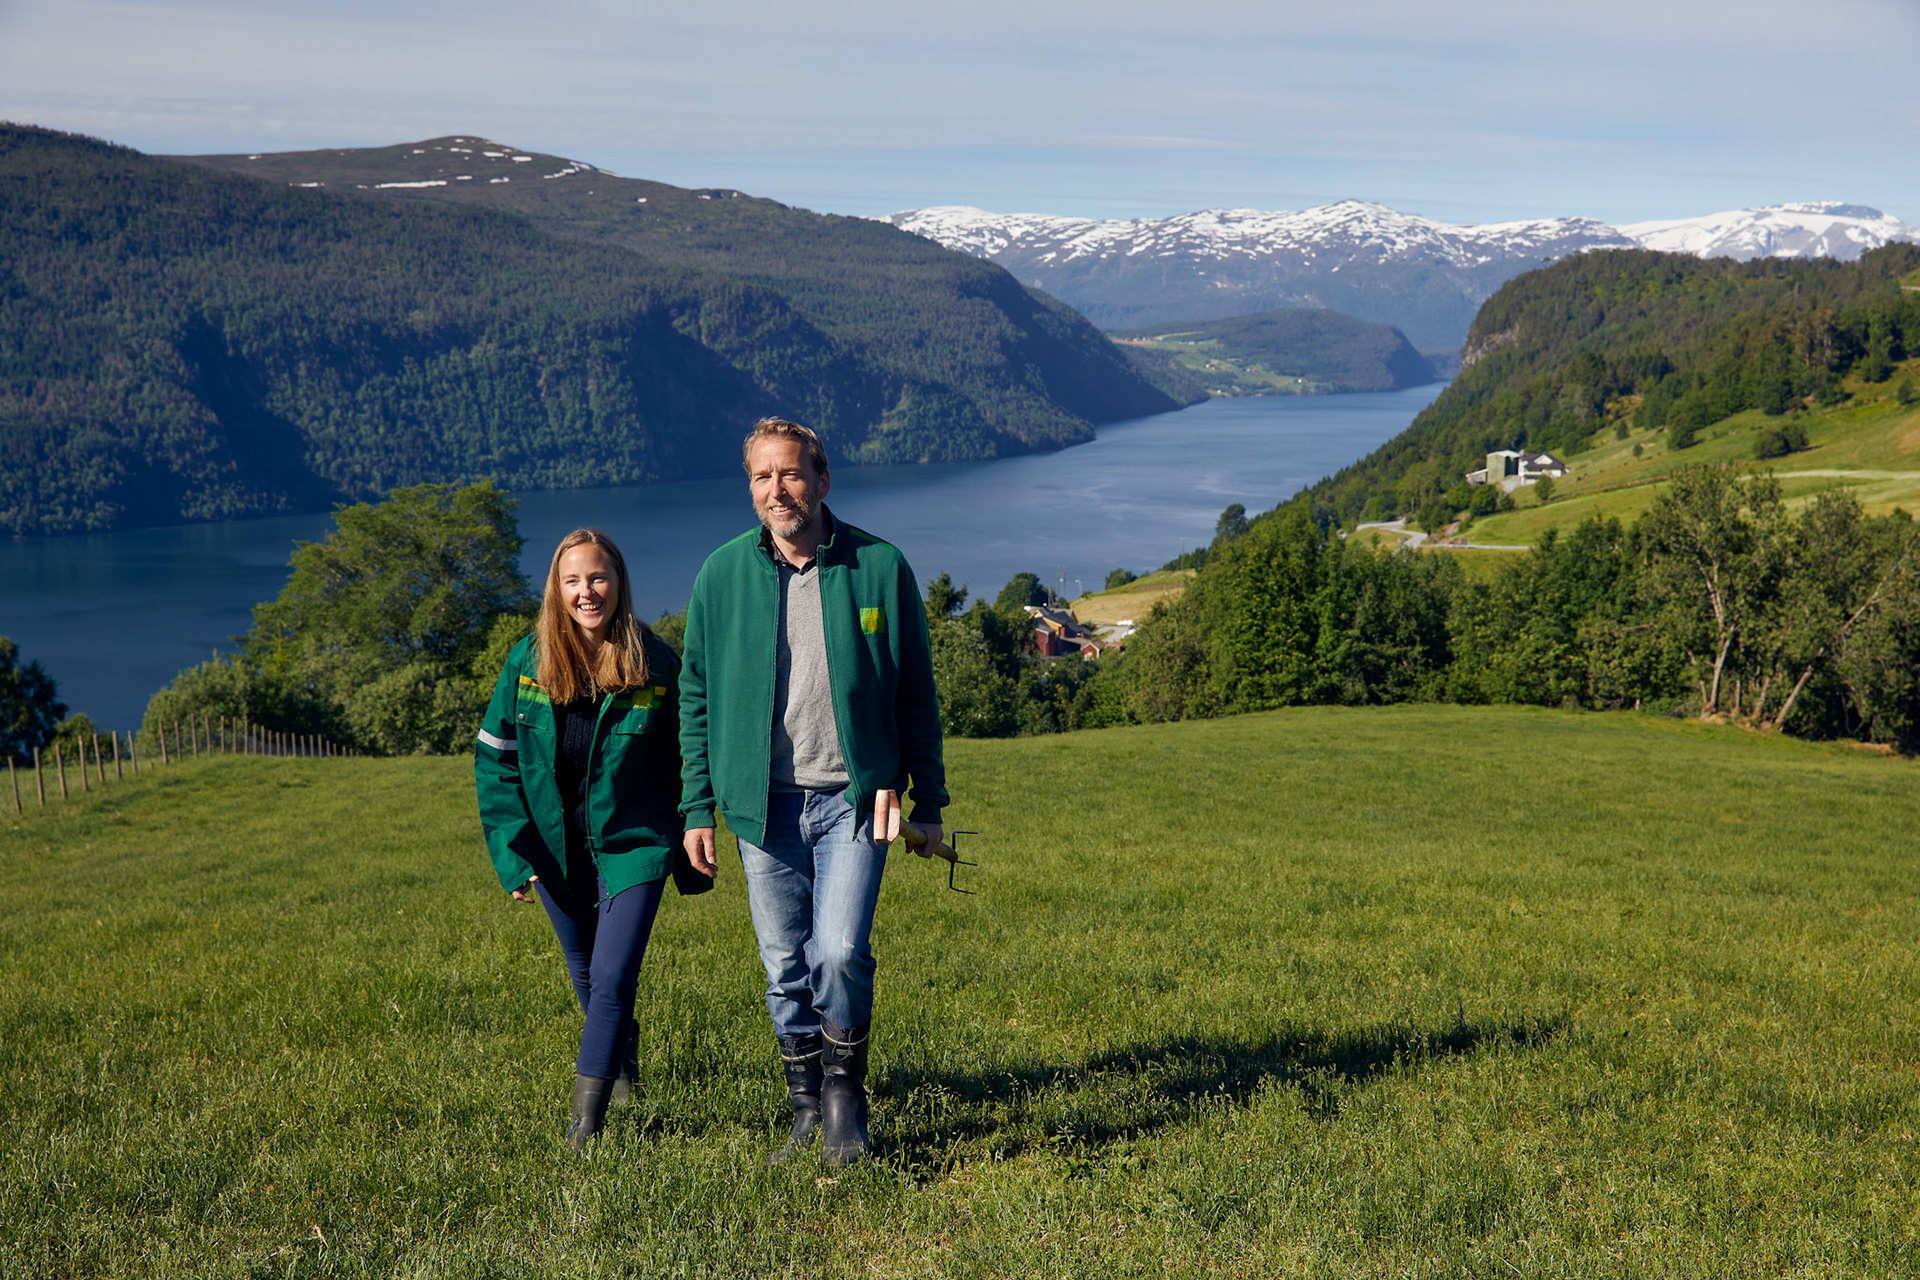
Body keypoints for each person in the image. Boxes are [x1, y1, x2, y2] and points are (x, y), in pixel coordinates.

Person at [679, 417, 948, 1167]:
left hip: (857, 802)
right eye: (762, 477)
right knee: (784, 966)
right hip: (760, 805)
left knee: (838, 951)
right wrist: (697, 806)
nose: (777, 490)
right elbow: (695, 696)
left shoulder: (878, 566)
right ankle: (805, 1109)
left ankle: (843, 1103)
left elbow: (916, 691)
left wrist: (929, 800)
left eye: (791, 473)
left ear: (822, 481)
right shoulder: (721, 575)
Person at [475, 528, 702, 1149]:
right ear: (556, 588)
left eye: (598, 577)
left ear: (619, 581)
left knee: (612, 977)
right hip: (554, 848)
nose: (586, 592)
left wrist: (694, 829)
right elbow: (495, 761)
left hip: (635, 843)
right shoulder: (528, 661)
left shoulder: (656, 663)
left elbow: (690, 757)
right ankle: (622, 1071)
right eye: (572, 580)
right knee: (587, 974)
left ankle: (585, 1127)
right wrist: (513, 853)